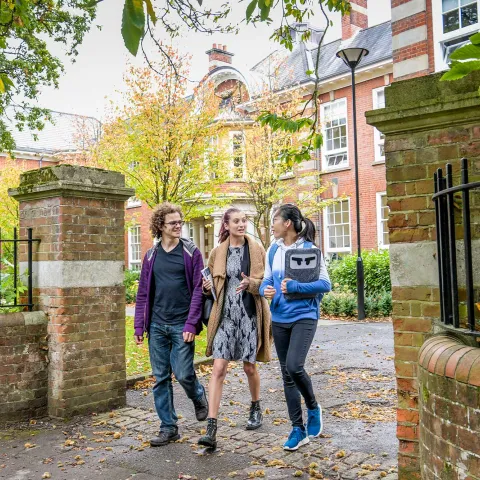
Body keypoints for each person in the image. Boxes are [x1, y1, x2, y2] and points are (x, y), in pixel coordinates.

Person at [134, 202, 208, 447]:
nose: (178, 226)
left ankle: (198, 395)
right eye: (173, 223)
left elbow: (198, 290)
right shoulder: (151, 255)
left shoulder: (191, 252)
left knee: (184, 373)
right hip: (156, 325)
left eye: (180, 222)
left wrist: (191, 323)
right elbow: (143, 292)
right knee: (160, 378)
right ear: (160, 226)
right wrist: (138, 326)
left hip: (181, 324)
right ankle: (168, 427)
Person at [198, 208, 272, 450]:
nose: (241, 224)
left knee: (249, 367)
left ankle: (255, 406)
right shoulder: (218, 252)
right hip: (225, 317)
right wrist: (207, 287)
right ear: (226, 225)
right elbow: (209, 288)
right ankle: (211, 427)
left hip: (249, 315)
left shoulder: (257, 250)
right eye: (236, 221)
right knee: (218, 367)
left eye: (244, 221)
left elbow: (266, 282)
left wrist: (252, 283)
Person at [259, 204, 331, 451]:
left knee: (294, 366)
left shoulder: (311, 251)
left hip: (304, 316)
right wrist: (263, 289)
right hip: (279, 318)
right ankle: (297, 429)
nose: (272, 225)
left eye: (275, 219)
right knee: (287, 375)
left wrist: (296, 288)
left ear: (287, 223)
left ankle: (312, 406)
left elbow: (325, 284)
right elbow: (268, 279)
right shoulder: (273, 250)